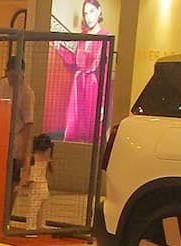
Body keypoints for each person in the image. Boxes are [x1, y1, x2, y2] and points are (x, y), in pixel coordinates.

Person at [56, 0, 109, 143]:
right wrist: (60, 49)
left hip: (93, 86)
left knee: (91, 123)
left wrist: (103, 103)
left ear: (99, 11)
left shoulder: (105, 37)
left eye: (91, 12)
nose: (88, 17)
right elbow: (75, 61)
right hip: (78, 84)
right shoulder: (83, 36)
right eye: (86, 13)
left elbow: (105, 72)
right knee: (74, 122)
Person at [0, 55, 35, 185]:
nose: (14, 80)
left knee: (12, 182)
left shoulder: (27, 93)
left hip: (16, 142)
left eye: (18, 76)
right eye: (12, 76)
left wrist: (24, 152)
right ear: (6, 72)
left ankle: (8, 205)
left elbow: (28, 125)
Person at [25, 133, 54, 231]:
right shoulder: (46, 158)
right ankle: (41, 224)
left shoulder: (32, 157)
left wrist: (23, 183)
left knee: (32, 208)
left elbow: (28, 173)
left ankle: (31, 227)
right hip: (44, 185)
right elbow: (52, 170)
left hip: (35, 184)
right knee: (42, 208)